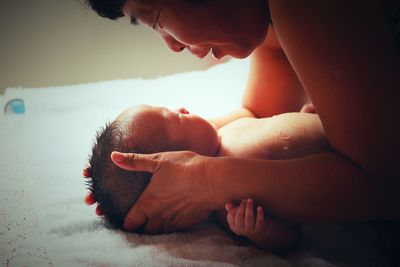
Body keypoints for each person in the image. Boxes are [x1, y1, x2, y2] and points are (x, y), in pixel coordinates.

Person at [84, 0, 400, 235]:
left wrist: (204, 178)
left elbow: (387, 182)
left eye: (154, 21)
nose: (173, 45)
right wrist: (120, 178)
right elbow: (261, 114)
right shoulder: (274, 20)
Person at [85, 104, 329, 251]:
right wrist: (260, 230)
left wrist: (300, 118)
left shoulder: (221, 137)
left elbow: (257, 113)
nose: (183, 109)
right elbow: (291, 237)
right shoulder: (227, 202)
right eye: (177, 117)